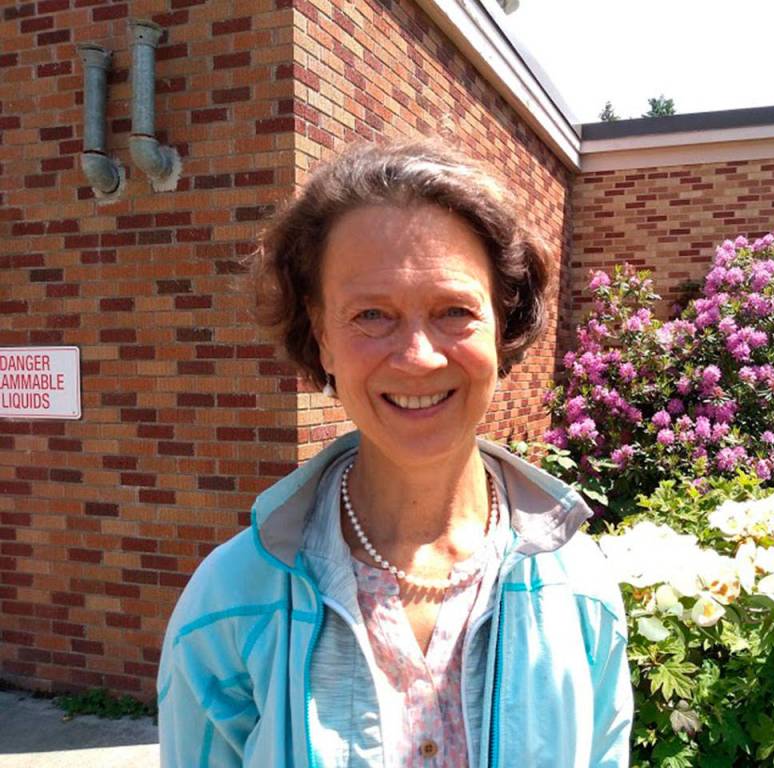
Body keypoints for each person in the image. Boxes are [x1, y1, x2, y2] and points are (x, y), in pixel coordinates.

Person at [157, 141, 632, 767]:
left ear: (502, 325)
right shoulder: (230, 605)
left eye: (454, 311)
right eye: (372, 314)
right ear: (323, 337)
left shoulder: (580, 590)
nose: (418, 357)